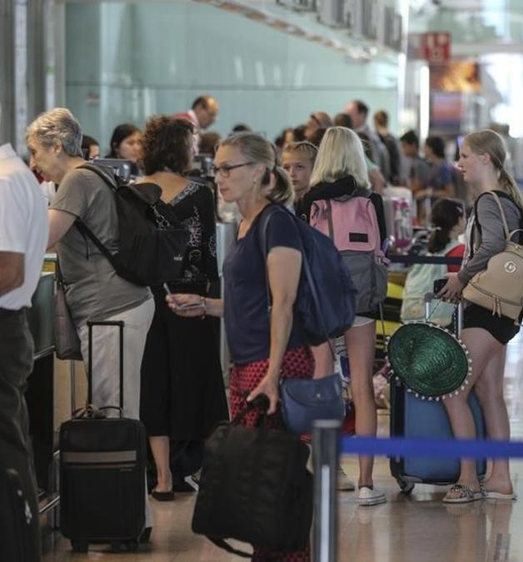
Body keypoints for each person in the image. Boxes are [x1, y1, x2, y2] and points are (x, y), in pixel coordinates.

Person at [166, 132, 312, 561]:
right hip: (250, 361)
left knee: (272, 477)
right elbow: (250, 304)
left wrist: (273, 372)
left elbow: (284, 302)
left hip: (274, 363)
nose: (220, 177)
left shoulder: (277, 221)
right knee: (256, 481)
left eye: (229, 168)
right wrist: (208, 306)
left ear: (261, 174)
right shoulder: (248, 224)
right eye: (216, 168)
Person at [33, 108, 156, 529]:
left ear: (55, 145)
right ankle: (128, 512)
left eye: (36, 151)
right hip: (118, 305)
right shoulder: (94, 173)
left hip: (111, 309)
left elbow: (44, 237)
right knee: (117, 410)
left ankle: (123, 517)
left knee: (114, 413)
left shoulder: (77, 179)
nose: (34, 162)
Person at [135, 116, 227, 501]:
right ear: (180, 148)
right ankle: (207, 471)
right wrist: (209, 299)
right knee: (200, 384)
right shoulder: (200, 193)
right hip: (191, 298)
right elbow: (207, 252)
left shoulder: (132, 192)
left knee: (155, 387)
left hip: (147, 297)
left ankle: (161, 478)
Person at [297, 126, 388, 506]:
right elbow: (381, 248)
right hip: (362, 303)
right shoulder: (372, 200)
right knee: (363, 388)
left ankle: (326, 470)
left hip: (322, 302)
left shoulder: (309, 201)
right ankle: (367, 483)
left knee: (324, 388)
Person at [437, 129, 523, 503]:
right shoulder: (506, 198)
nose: (459, 164)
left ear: (486, 159)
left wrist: (462, 275)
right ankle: (499, 478)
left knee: (453, 390)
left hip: (488, 308)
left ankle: (468, 478)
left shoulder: (490, 200)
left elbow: (491, 245)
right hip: (502, 309)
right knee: (489, 392)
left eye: (466, 156)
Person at [0, 115, 48, 562]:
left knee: (8, 453)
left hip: (4, 327)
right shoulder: (15, 176)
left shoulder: (5, 182)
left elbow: (9, 271)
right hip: (11, 326)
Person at [400, 198, 466, 325]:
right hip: (443, 321)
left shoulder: (427, 251)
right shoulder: (460, 251)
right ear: (458, 220)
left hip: (414, 317)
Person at [344, 100, 390, 179]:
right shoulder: (350, 135)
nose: (346, 118)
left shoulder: (369, 138)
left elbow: (376, 166)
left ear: (362, 115)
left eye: (350, 114)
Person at [373, 109, 401, 185]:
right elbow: (397, 161)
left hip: (378, 178)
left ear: (375, 122)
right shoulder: (393, 139)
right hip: (391, 179)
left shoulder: (374, 139)